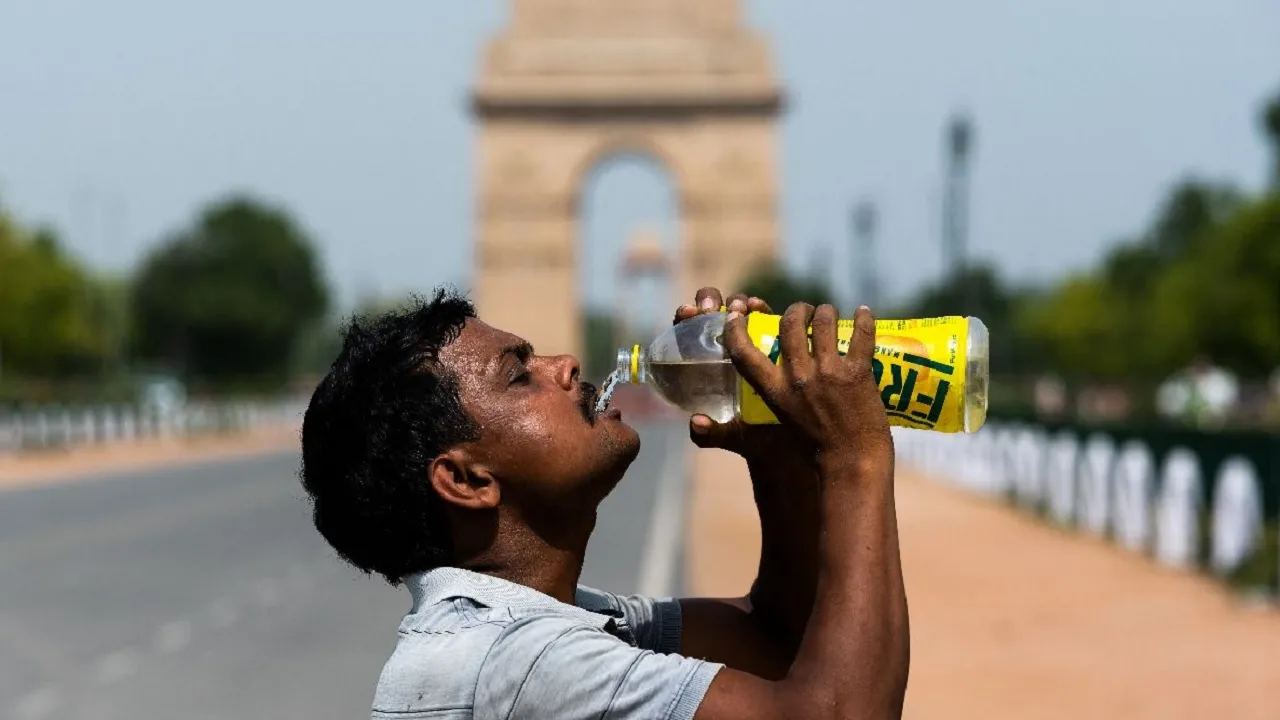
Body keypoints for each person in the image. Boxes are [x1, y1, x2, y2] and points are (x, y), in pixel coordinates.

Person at [300, 286, 909, 720]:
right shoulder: (518, 662)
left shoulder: (529, 628)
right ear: (466, 480)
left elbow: (776, 640)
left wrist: (776, 458)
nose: (565, 364)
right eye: (519, 376)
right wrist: (854, 458)